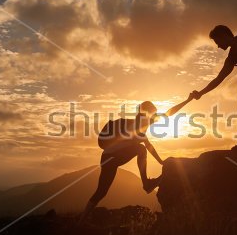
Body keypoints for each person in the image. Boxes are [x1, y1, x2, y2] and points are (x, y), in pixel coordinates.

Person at [80, 94, 194, 222]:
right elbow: (147, 144)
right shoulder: (134, 125)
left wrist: (187, 100)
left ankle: (81, 221)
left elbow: (168, 114)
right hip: (110, 157)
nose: (153, 117)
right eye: (152, 113)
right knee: (102, 191)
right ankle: (146, 184)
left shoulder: (140, 124)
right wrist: (161, 162)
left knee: (101, 192)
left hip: (107, 158)